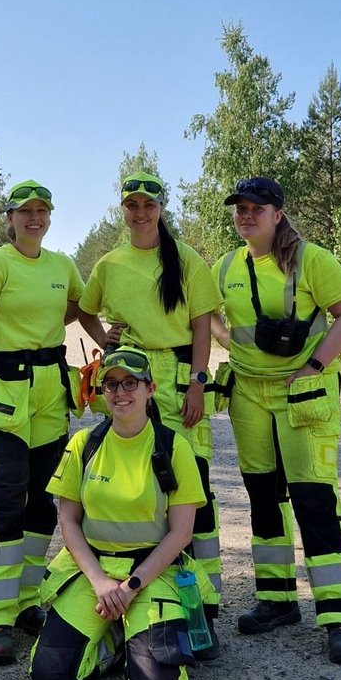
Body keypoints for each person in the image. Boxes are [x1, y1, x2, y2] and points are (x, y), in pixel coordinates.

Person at [212, 176, 341, 665]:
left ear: (278, 214)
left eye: (257, 207)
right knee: (263, 497)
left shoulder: (313, 259)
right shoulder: (226, 266)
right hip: (249, 396)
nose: (246, 215)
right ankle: (276, 601)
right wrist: (228, 343)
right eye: (240, 208)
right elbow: (207, 316)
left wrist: (314, 365)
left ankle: (338, 616)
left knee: (314, 499)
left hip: (302, 393)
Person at [79, 172, 222, 655]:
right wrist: (106, 343)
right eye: (131, 204)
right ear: (122, 209)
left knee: (193, 485)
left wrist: (199, 381)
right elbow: (84, 309)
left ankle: (206, 600)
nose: (140, 212)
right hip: (132, 372)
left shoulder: (187, 261)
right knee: (137, 474)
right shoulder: (110, 262)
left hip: (179, 372)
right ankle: (141, 588)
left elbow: (202, 325)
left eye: (148, 204)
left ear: (162, 207)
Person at [0, 180, 106, 666]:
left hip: (50, 389)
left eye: (42, 211)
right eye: (25, 211)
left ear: (50, 217)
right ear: (10, 217)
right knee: (6, 498)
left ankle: (26, 601)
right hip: (4, 391)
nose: (34, 218)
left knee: (47, 499)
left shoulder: (62, 265)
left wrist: (106, 339)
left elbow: (79, 309)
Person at [30, 347, 210, 680]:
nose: (120, 393)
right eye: (111, 385)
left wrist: (130, 587)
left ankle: (133, 636)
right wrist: (100, 582)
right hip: (94, 573)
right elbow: (68, 521)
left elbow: (181, 532)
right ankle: (115, 636)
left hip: (152, 575)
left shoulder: (174, 448)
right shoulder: (84, 444)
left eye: (131, 383)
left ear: (150, 389)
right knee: (49, 673)